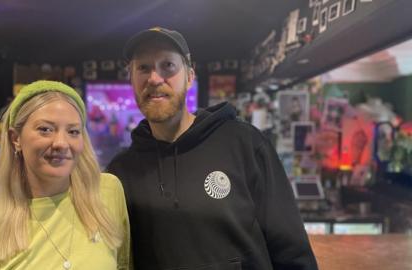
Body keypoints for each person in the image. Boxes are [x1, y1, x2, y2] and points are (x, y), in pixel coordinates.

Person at [107, 27, 318, 270]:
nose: (154, 78)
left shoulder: (245, 144)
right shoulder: (121, 172)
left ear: (189, 76)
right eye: (143, 68)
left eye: (167, 65)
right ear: (132, 79)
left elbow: (292, 252)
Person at [0, 80, 131, 270]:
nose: (61, 143)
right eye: (45, 129)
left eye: (73, 131)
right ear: (15, 138)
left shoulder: (107, 192)